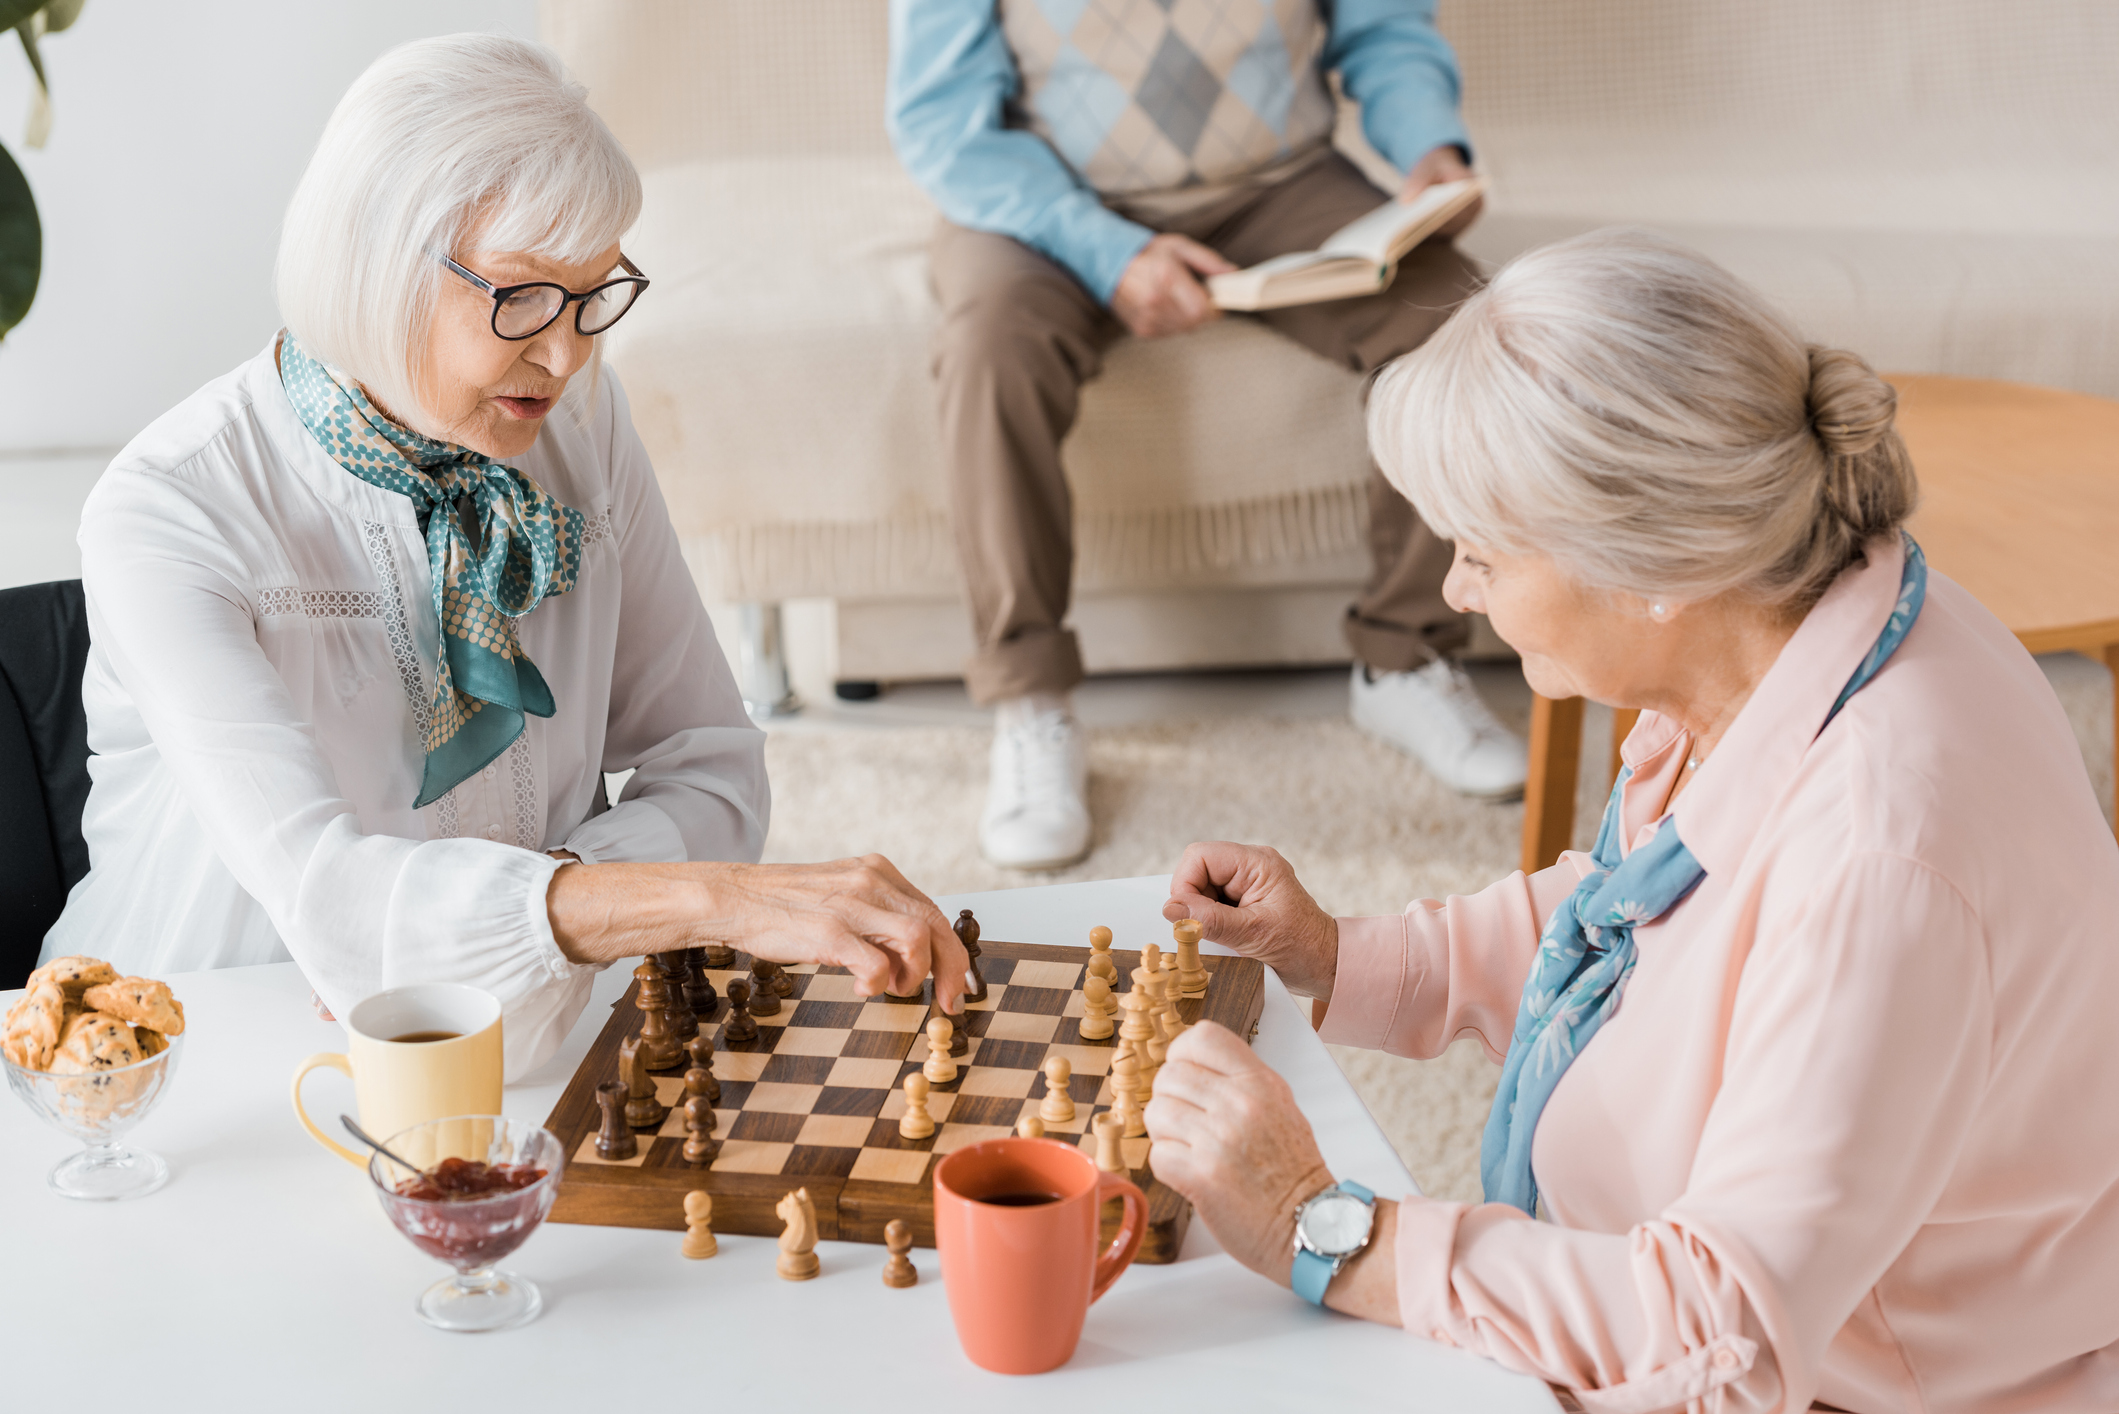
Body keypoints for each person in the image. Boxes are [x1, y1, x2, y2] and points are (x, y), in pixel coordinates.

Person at [1144, 231, 2119, 1410]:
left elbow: (1726, 1336)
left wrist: (1324, 1226)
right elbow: (1642, 921)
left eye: (1480, 553)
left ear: (1649, 568)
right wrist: (1342, 954)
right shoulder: (1792, 631)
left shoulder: (1877, 858)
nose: (1455, 590)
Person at [44, 36, 967, 1077]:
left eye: (593, 295)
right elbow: (327, 901)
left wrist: (563, 903)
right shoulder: (170, 508)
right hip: (198, 1058)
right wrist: (700, 897)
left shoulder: (582, 422)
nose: (565, 354)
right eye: (522, 296)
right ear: (379, 262)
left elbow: (711, 757)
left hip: (546, 1031)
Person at [887, 0, 1527, 871]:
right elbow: (941, 122)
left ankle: (1404, 657)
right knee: (989, 352)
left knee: (1453, 325)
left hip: (1278, 184)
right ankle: (1028, 698)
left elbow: (1383, 28)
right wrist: (1109, 252)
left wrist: (1428, 146)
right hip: (1040, 202)